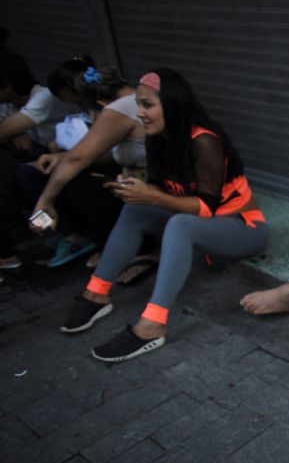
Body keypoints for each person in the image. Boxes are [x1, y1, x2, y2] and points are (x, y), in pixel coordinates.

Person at [58, 68, 268, 362]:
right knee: (135, 207)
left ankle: (152, 324)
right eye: (138, 105)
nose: (140, 113)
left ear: (172, 104)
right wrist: (138, 190)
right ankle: (96, 294)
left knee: (181, 224)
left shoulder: (204, 140)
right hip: (205, 224)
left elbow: (206, 208)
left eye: (148, 105)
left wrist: (152, 196)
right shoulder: (158, 136)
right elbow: (159, 186)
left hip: (244, 228)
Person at [22, 64, 145, 267]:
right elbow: (98, 154)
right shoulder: (132, 99)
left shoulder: (119, 109)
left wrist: (45, 202)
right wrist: (64, 157)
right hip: (139, 178)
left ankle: (127, 246)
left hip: (150, 185)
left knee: (78, 181)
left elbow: (78, 160)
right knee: (37, 172)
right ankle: (87, 238)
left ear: (99, 102)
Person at [0, 52, 79, 269]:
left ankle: (71, 235)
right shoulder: (10, 106)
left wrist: (14, 131)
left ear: (7, 87)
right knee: (21, 172)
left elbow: (3, 131)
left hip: (74, 156)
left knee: (26, 174)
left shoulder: (43, 97)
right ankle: (55, 231)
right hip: (50, 158)